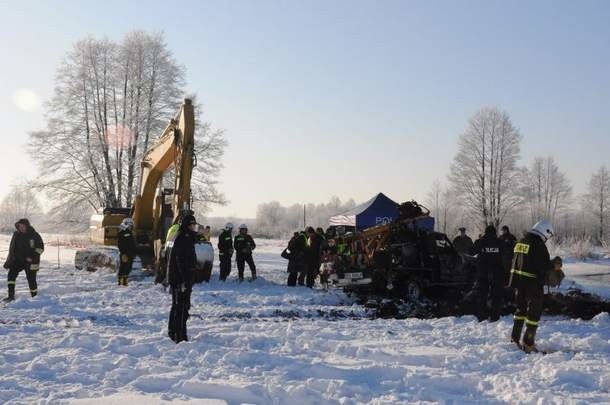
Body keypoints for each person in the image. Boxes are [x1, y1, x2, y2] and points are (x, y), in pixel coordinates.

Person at [509, 219, 555, 353]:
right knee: (533, 315)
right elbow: (543, 266)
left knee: (520, 311)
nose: (547, 238)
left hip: (519, 284)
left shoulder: (521, 241)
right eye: (548, 235)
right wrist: (553, 265)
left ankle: (515, 338)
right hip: (533, 285)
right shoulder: (538, 244)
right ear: (545, 231)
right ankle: (528, 343)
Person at [166, 214, 198, 343]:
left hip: (182, 278)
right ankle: (179, 335)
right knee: (181, 307)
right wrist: (184, 280)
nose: (193, 227)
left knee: (181, 306)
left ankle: (175, 332)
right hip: (179, 279)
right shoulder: (183, 238)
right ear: (186, 225)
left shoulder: (187, 237)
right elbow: (181, 261)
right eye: (191, 225)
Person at [3, 219, 44, 301]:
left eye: (23, 226)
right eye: (19, 226)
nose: (21, 228)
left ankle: (34, 297)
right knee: (11, 275)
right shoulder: (16, 234)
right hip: (18, 261)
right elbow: (12, 247)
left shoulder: (34, 235)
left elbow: (40, 248)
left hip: (31, 262)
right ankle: (11, 296)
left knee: (31, 279)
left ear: (27, 226)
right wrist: (11, 259)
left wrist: (32, 257)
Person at [472, 225, 505, 322]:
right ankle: (495, 317)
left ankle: (481, 316)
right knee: (497, 297)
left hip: (482, 273)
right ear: (495, 232)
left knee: (482, 296)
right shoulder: (500, 242)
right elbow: (507, 253)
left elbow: (471, 251)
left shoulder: (480, 242)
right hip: (497, 273)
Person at [117, 218, 137, 286]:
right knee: (125, 267)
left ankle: (123, 281)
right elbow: (121, 244)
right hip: (125, 253)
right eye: (131, 225)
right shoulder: (124, 232)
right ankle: (122, 282)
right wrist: (123, 253)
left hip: (129, 253)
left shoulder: (128, 232)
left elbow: (131, 243)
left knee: (126, 267)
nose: (132, 227)